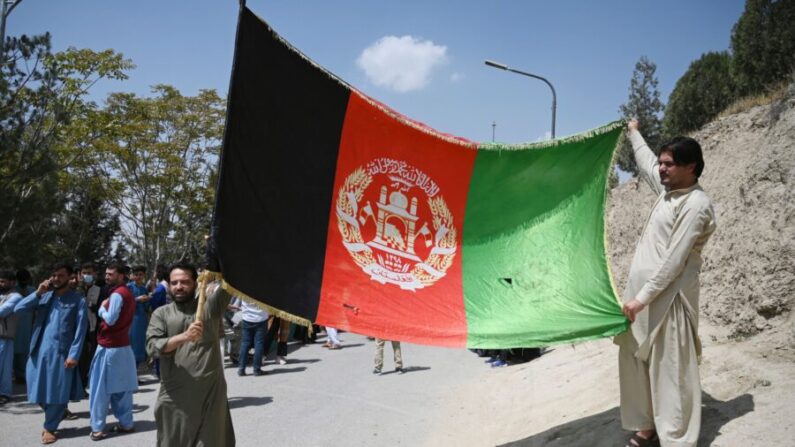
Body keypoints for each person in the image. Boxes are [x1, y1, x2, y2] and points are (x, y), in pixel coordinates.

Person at [615, 120, 716, 447]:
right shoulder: (668, 193)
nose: (661, 169)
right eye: (661, 163)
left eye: (668, 164)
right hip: (640, 300)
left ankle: (675, 438)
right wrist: (633, 132)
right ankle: (646, 427)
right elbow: (645, 165)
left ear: (691, 167)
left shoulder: (697, 205)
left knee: (669, 371)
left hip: (669, 301)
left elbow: (674, 261)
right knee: (635, 363)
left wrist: (642, 299)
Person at [146, 262, 235, 446]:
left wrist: (216, 250)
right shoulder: (161, 314)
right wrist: (185, 337)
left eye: (185, 282)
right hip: (175, 398)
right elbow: (153, 347)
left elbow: (231, 282)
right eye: (174, 282)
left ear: (196, 283)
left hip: (210, 396)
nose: (179, 286)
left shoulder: (211, 307)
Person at [14, 262, 88, 445]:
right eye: (54, 275)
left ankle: (49, 427)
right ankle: (59, 411)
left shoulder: (78, 300)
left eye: (61, 275)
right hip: (38, 350)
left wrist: (74, 355)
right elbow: (18, 309)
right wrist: (38, 293)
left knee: (57, 391)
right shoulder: (44, 296)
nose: (56, 279)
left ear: (70, 277)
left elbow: (81, 330)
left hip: (61, 353)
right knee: (35, 388)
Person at [87, 263, 138, 440]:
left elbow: (111, 319)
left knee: (99, 389)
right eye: (106, 274)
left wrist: (101, 308)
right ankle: (126, 423)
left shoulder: (117, 294)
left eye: (111, 274)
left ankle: (98, 428)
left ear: (121, 275)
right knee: (122, 388)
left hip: (109, 347)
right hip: (123, 346)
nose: (107, 277)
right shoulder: (127, 293)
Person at [0, 269, 24, 404]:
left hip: (4, 337)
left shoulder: (16, 297)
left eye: (3, 282)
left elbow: (2, 312)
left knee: (4, 368)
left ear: (12, 282)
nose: (1, 284)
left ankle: (5, 394)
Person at [77, 262, 102, 389]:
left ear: (95, 274)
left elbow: (101, 310)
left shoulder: (99, 290)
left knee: (90, 356)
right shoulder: (76, 289)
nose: (87, 275)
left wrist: (94, 307)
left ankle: (88, 382)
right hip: (77, 328)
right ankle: (79, 384)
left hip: (92, 327)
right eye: (84, 273)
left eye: (89, 273)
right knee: (80, 356)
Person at [13, 269, 34, 383]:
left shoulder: (33, 290)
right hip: (14, 326)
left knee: (25, 350)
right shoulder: (13, 292)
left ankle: (22, 375)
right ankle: (16, 374)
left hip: (28, 325)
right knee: (14, 351)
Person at [237, 299, 268, 376]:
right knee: (259, 343)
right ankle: (256, 370)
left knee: (245, 343)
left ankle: (241, 369)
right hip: (261, 318)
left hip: (247, 318)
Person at [127, 265, 151, 367]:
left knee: (140, 346)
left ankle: (135, 374)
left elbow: (146, 307)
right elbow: (125, 302)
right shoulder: (128, 287)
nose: (138, 277)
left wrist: (148, 299)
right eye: (136, 274)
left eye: (140, 275)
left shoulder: (144, 289)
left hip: (142, 320)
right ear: (132, 275)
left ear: (144, 275)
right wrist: (137, 299)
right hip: (131, 319)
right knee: (131, 346)